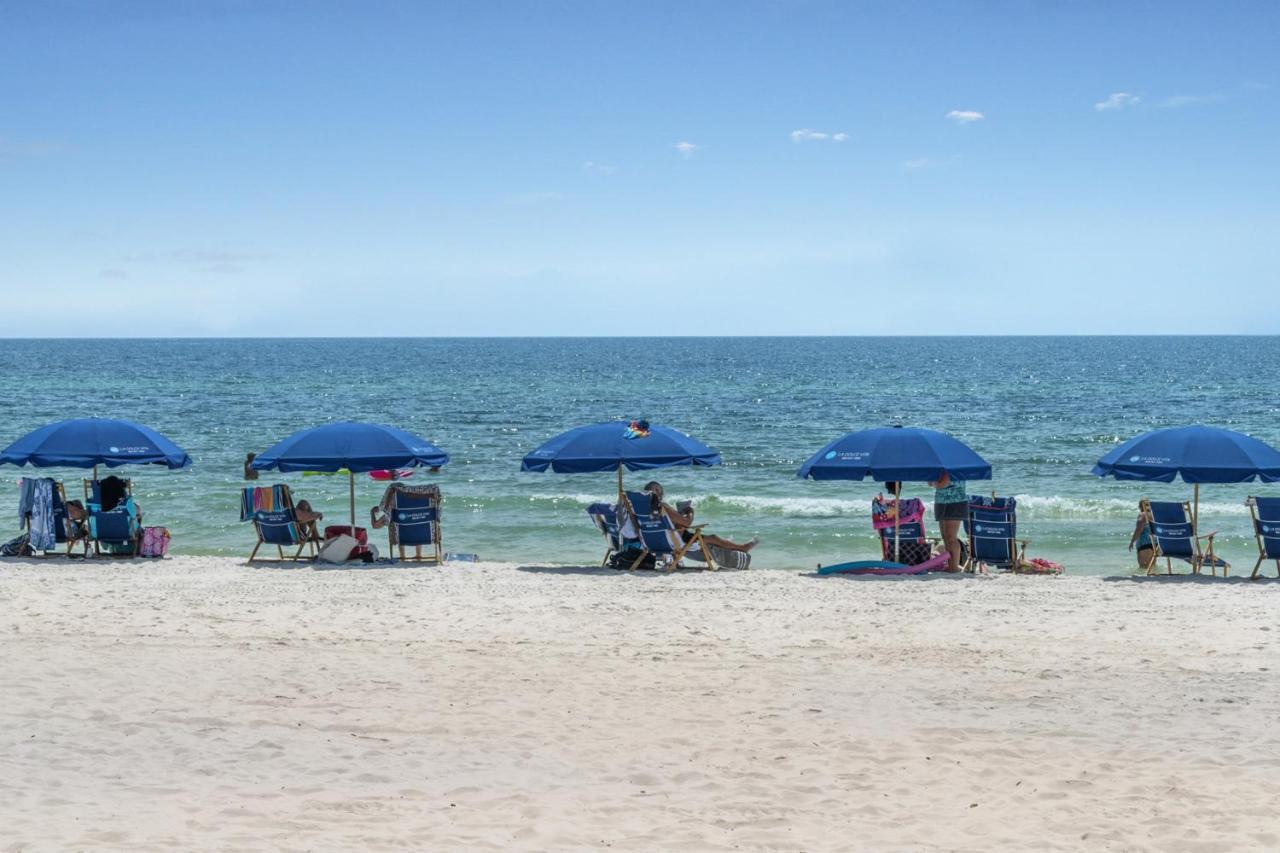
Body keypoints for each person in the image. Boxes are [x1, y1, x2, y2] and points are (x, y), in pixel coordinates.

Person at [641, 481, 758, 554]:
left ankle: (727, 544)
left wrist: (677, 518)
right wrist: (690, 512)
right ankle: (742, 548)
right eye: (654, 489)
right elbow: (687, 523)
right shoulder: (663, 507)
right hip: (674, 542)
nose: (655, 491)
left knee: (709, 539)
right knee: (713, 538)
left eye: (657, 489)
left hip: (652, 542)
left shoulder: (641, 509)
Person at [928, 471, 968, 572]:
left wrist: (935, 483)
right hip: (941, 501)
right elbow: (931, 482)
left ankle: (954, 567)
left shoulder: (954, 465)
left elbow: (942, 483)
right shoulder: (940, 467)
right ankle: (951, 565)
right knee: (945, 537)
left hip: (955, 502)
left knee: (951, 537)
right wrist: (934, 482)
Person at [1130, 506, 1157, 571]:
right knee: (1152, 566)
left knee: (1143, 567)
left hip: (1144, 544)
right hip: (1154, 543)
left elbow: (1139, 530)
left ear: (1140, 507)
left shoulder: (1142, 515)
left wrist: (1132, 541)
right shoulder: (1155, 515)